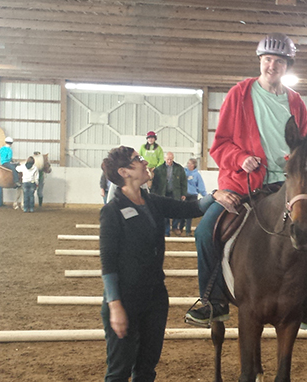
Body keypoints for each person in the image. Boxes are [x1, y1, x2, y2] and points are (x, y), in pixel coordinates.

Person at [185, 32, 307, 336]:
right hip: (244, 186)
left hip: (287, 187)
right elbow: (219, 145)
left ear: (287, 65)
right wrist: (240, 157)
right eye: (268, 59)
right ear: (260, 61)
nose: (273, 65)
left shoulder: (295, 102)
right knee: (206, 230)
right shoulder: (239, 95)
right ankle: (213, 300)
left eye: (279, 61)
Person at [99, 146, 233, 381]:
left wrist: (215, 195)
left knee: (147, 369)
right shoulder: (112, 211)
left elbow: (190, 208)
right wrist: (115, 306)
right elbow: (108, 263)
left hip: (155, 298)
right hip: (125, 299)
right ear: (124, 172)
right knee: (119, 372)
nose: (144, 162)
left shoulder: (150, 202)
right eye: (137, 159)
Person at [150, 152, 187, 236]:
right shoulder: (159, 169)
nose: (169, 161)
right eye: (168, 159)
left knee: (176, 210)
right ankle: (166, 231)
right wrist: (153, 193)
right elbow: (155, 183)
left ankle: (175, 227)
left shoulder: (179, 168)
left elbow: (184, 182)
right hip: (163, 193)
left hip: (176, 193)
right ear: (164, 159)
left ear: (173, 159)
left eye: (171, 159)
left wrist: (183, 193)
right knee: (164, 212)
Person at [174, 158, 207, 237]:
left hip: (193, 196)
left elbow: (200, 186)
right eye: (188, 163)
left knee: (190, 215)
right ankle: (180, 228)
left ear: (194, 165)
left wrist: (205, 196)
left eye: (190, 164)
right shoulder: (183, 172)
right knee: (182, 212)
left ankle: (188, 231)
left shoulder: (197, 175)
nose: (188, 165)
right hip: (184, 195)